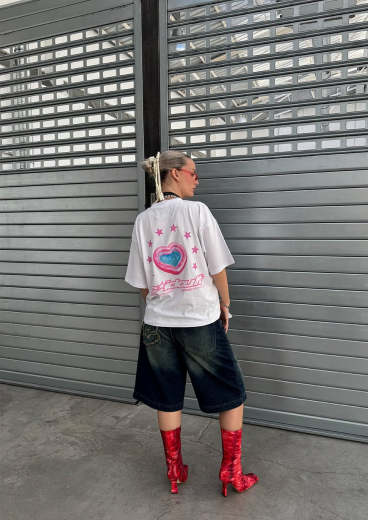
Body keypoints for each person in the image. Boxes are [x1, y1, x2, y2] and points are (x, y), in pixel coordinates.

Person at [124, 150, 258, 496]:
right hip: (199, 319)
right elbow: (217, 268)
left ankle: (174, 471)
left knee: (167, 397)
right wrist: (225, 304)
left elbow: (142, 284)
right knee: (232, 394)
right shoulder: (197, 212)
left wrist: (163, 304)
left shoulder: (143, 221)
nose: (197, 180)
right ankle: (231, 471)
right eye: (193, 173)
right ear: (175, 174)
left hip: (156, 324)